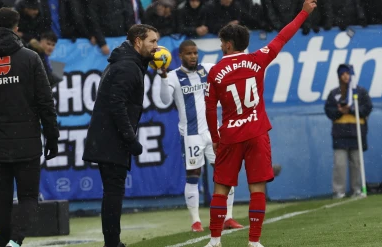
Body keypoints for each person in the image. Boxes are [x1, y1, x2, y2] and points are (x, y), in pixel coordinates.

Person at [204, 1, 317, 246]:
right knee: (257, 189)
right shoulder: (258, 59)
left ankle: (214, 241)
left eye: (223, 42)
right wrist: (304, 12)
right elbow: (283, 36)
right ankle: (254, 242)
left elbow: (210, 109)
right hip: (256, 132)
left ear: (229, 44)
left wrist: (215, 138)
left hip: (230, 136)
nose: (221, 46)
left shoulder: (214, 72)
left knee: (221, 189)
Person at [82, 24, 158, 247]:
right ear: (137, 42)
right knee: (114, 193)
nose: (156, 46)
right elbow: (117, 106)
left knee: (112, 192)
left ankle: (113, 242)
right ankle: (112, 243)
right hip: (111, 139)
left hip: (107, 136)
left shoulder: (127, 62)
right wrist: (130, 139)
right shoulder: (127, 66)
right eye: (152, 41)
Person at [0, 7, 59, 247]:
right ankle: (16, 242)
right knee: (29, 197)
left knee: (1, 201)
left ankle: (5, 244)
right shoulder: (30, 58)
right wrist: (52, 137)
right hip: (26, 141)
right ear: (17, 27)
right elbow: (45, 102)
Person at [159, 40, 243, 232]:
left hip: (214, 133)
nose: (193, 57)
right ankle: (196, 221)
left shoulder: (208, 69)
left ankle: (228, 217)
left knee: (225, 174)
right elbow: (164, 101)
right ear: (180, 56)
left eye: (195, 53)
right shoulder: (172, 76)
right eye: (189, 54)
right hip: (191, 135)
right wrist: (162, 77)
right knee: (193, 176)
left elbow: (228, 67)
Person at [324, 64, 373, 199]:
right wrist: (339, 112)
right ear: (339, 76)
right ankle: (338, 190)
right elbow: (329, 111)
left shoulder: (360, 92)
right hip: (340, 133)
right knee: (339, 164)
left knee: (356, 163)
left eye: (348, 74)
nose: (346, 76)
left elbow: (367, 108)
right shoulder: (334, 94)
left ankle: (356, 189)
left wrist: (351, 109)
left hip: (357, 132)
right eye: (343, 74)